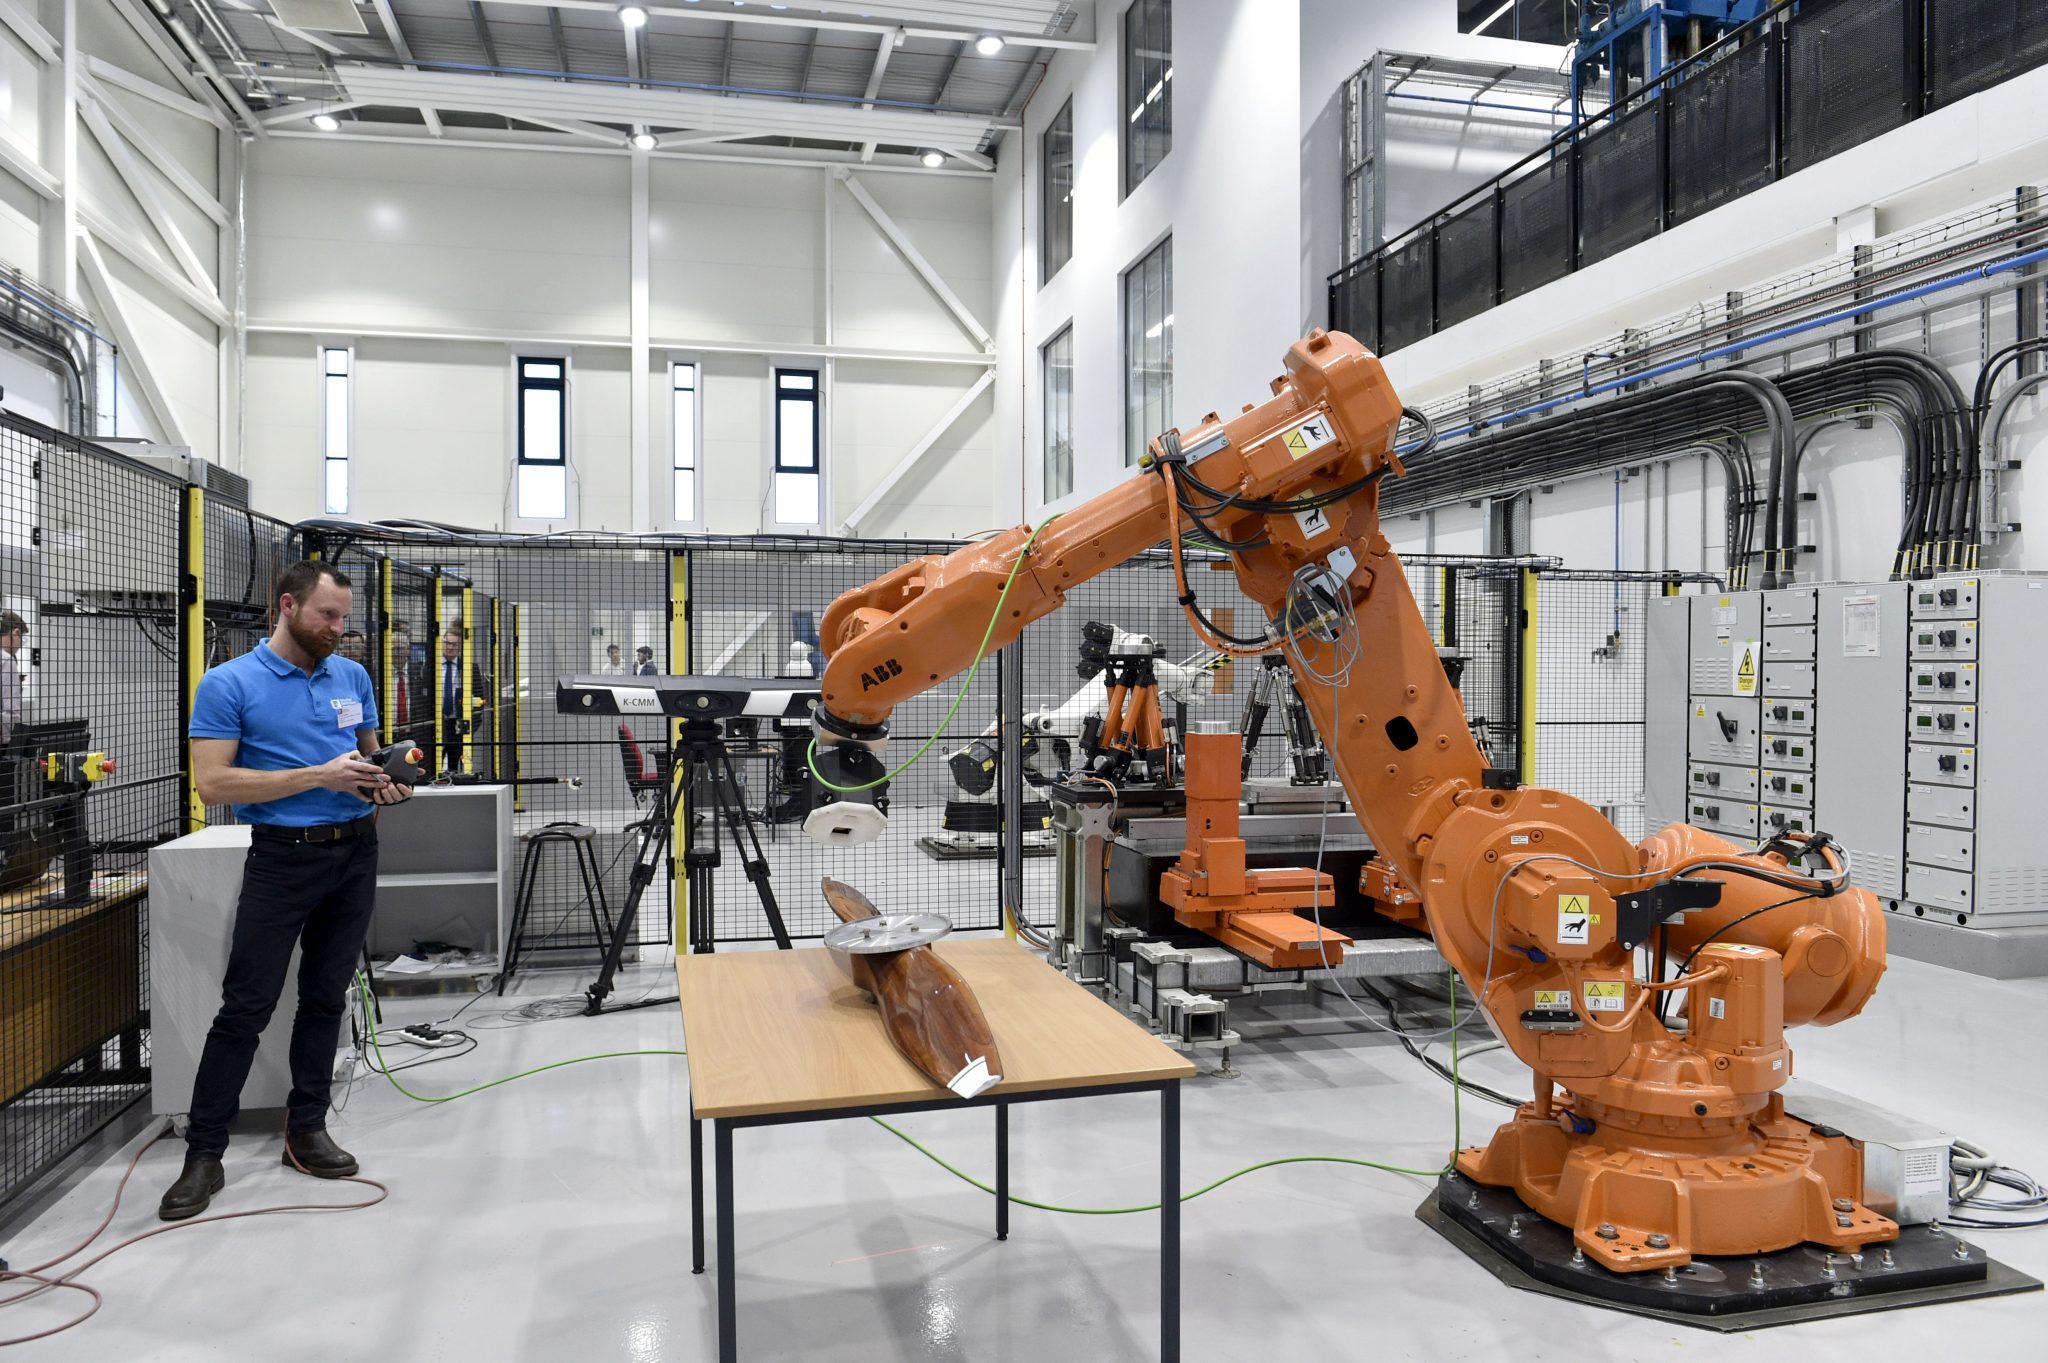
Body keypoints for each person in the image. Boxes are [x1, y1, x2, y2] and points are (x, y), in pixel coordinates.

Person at [161, 561, 411, 1222]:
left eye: (343, 617)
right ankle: (204, 1153)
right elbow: (213, 785)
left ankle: (305, 1130)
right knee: (246, 1005)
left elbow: (367, 758)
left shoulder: (351, 676)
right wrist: (317, 778)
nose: (338, 629)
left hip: (354, 853)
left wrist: (384, 781)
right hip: (281, 860)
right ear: (287, 605)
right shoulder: (228, 683)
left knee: (325, 998)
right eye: (327, 616)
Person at [0, 610, 24, 747]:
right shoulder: (6, 660)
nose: (20, 645)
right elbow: (11, 710)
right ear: (15, 633)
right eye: (22, 639)